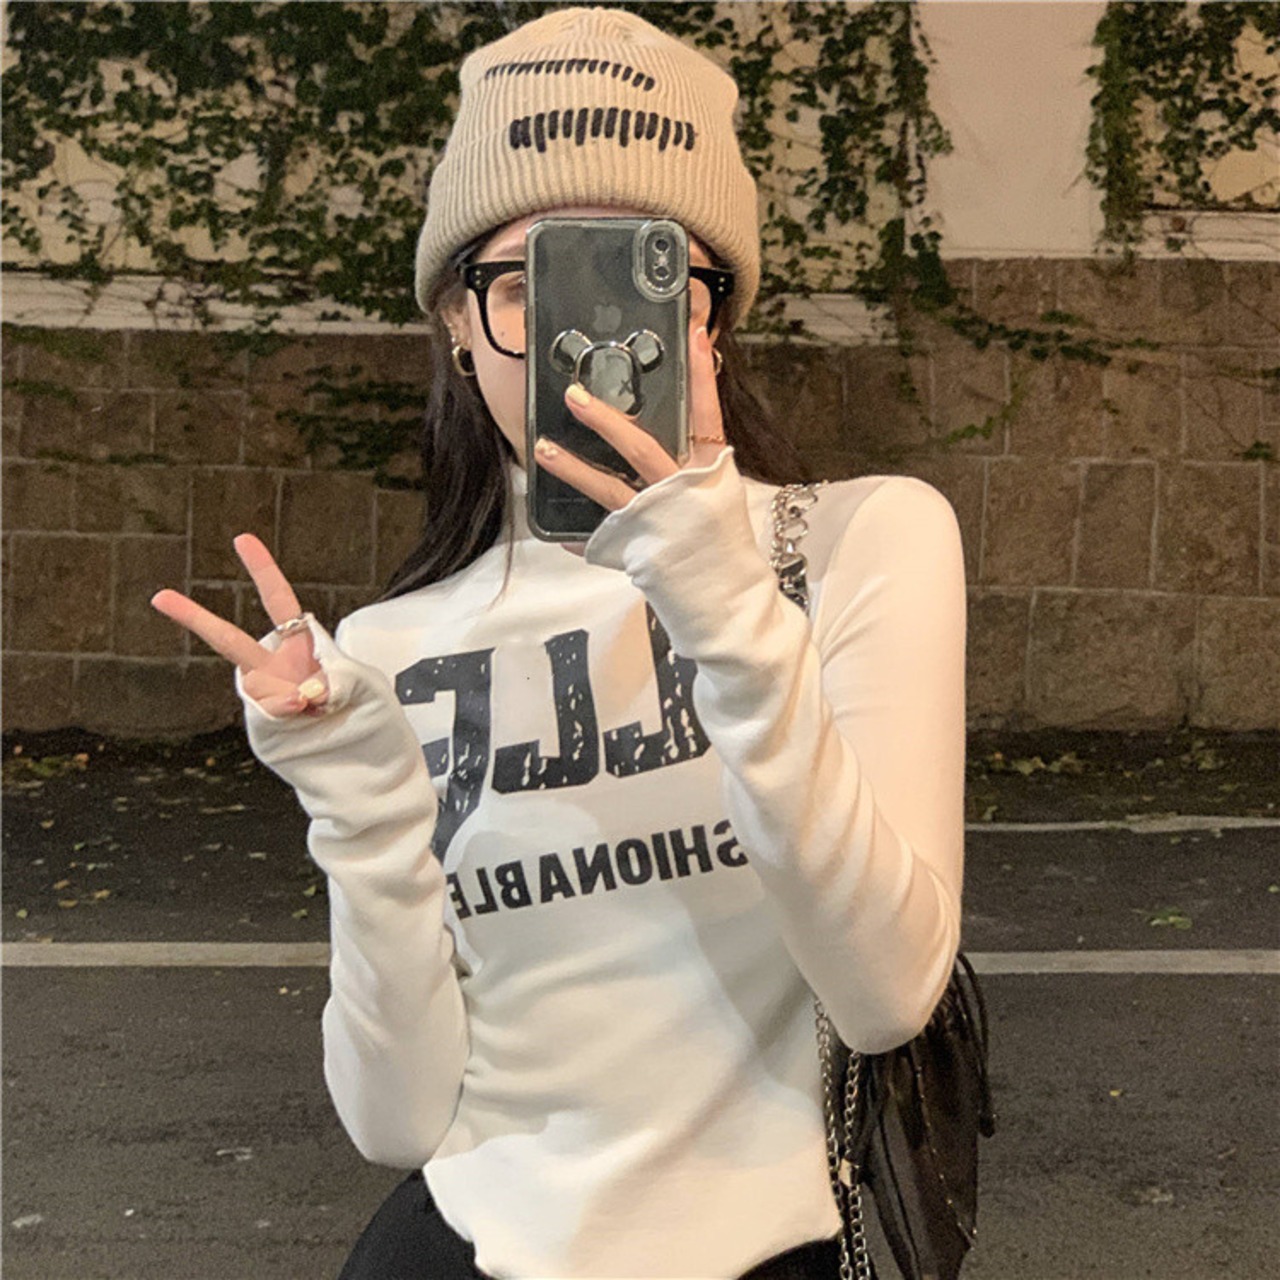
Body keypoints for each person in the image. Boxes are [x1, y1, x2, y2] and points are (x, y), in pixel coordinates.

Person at [151, 8, 967, 1279]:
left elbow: (885, 990)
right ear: (457, 319)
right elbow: (395, 1120)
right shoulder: (386, 647)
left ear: (709, 318)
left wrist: (720, 601)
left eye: (640, 272)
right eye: (528, 282)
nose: (589, 339)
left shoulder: (858, 543)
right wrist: (359, 812)